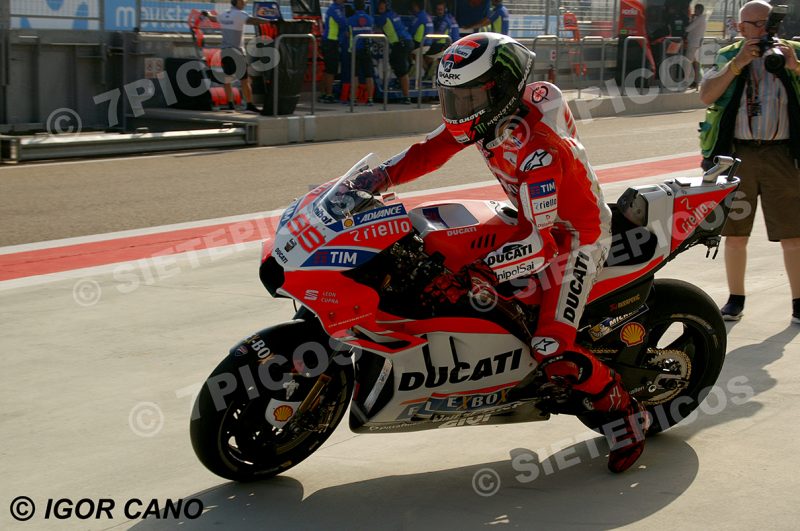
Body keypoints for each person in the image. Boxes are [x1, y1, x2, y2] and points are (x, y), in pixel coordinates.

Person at [355, 33, 652, 472]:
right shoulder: (493, 112)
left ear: (498, 91)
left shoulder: (539, 152)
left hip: (575, 237)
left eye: (467, 96)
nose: (456, 109)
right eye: (450, 97)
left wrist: (482, 272)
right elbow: (430, 150)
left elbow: (542, 244)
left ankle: (626, 413)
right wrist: (374, 179)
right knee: (428, 250)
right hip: (529, 214)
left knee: (552, 346)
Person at [698, 0, 800, 324]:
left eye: (766, 23)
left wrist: (795, 65)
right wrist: (738, 63)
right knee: (736, 233)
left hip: (782, 153)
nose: (761, 29)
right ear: (740, 28)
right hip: (739, 153)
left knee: (793, 235)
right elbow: (706, 95)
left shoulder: (791, 51)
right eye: (753, 24)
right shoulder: (730, 54)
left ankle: (799, 302)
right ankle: (735, 298)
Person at [201, 0, 274, 112]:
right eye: (243, 1)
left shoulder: (224, 14)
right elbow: (253, 21)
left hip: (225, 51)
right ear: (238, 2)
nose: (245, 3)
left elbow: (213, 18)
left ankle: (231, 105)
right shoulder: (240, 14)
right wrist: (269, 21)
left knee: (227, 79)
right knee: (245, 80)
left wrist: (207, 14)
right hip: (237, 52)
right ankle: (249, 105)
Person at [375, 0, 413, 104]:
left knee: (401, 71)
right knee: (396, 64)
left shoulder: (384, 17)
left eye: (382, 4)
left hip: (401, 44)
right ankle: (401, 84)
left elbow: (375, 30)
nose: (380, 6)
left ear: (386, 5)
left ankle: (406, 97)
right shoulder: (393, 14)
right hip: (406, 42)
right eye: (379, 4)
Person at [320, 0, 348, 103]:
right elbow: (343, 23)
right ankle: (328, 94)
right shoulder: (335, 9)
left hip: (331, 41)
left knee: (328, 69)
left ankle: (324, 92)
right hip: (331, 41)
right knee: (331, 69)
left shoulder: (338, 8)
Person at [348, 0, 376, 105]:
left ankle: (353, 99)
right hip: (367, 50)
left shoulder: (350, 20)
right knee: (369, 75)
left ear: (354, 7)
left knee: (355, 75)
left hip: (355, 49)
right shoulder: (370, 19)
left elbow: (347, 33)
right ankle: (370, 99)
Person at [685, 3, 708, 89]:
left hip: (693, 43)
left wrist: (691, 19)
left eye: (695, 10)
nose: (694, 11)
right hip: (697, 44)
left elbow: (688, 29)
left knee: (687, 62)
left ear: (699, 10)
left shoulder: (699, 19)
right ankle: (696, 82)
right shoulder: (702, 19)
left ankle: (686, 81)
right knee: (696, 64)